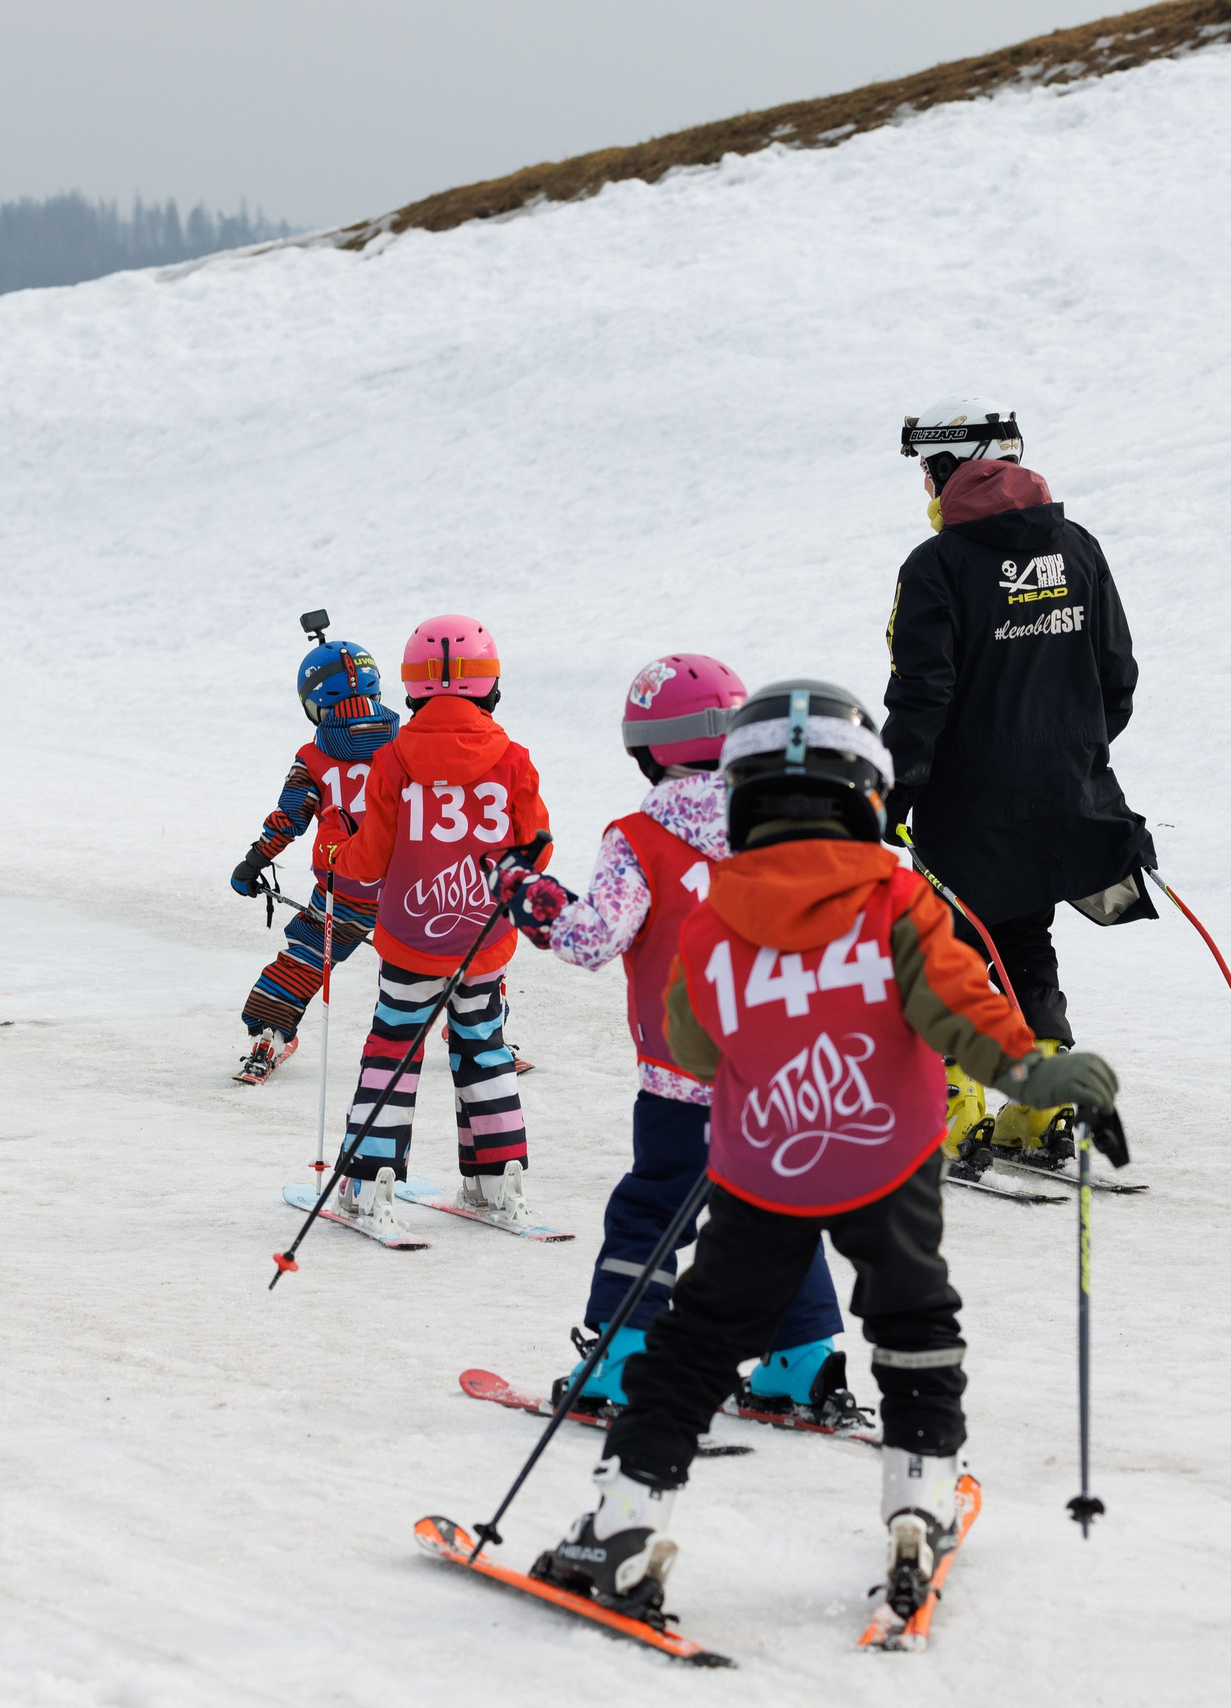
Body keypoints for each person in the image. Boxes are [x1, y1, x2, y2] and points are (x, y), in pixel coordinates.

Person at [528, 680, 1121, 1625]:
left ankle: (624, 1523)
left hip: (763, 1164)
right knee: (912, 1317)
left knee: (699, 1341)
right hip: (889, 1160)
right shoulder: (898, 900)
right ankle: (918, 1503)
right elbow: (971, 1018)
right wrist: (1055, 1082)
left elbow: (690, 1046)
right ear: (868, 794)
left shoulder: (719, 913)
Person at [493, 656, 847, 1422]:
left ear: (647, 749)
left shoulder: (642, 838)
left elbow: (591, 938)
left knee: (653, 1213)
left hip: (685, 1082)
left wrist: (529, 896)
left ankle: (625, 1361)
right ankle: (803, 1363)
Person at [884, 399, 1155, 1175]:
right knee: (1024, 943)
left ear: (951, 469)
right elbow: (1117, 678)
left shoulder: (934, 567)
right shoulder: (1076, 548)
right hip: (1065, 795)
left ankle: (949, 1110)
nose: (926, 487)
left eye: (928, 471)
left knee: (944, 948)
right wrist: (1066, 754)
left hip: (965, 806)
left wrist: (890, 791)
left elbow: (921, 696)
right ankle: (1041, 1108)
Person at [320, 616, 551, 1237]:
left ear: (413, 688)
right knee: (484, 1049)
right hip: (482, 942)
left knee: (393, 1050)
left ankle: (370, 1183)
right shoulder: (513, 760)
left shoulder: (394, 759)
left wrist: (336, 849)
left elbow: (364, 866)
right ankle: (497, 1179)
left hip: (410, 942)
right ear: (489, 686)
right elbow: (536, 851)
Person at [227, 636, 398, 1083]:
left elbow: (289, 818)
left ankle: (269, 1034)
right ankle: (481, 1034)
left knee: (305, 955)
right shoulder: (409, 744)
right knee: (443, 950)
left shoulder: (313, 757)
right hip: (412, 886)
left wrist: (254, 860)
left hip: (347, 887)